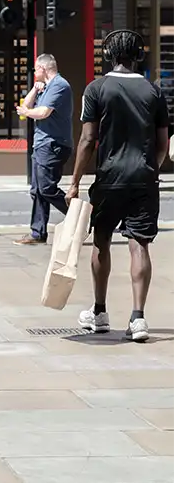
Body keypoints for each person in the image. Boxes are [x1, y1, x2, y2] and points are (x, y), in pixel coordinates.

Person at [66, 29, 169, 342]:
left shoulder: (96, 88)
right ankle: (138, 318)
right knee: (140, 245)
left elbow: (87, 140)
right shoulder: (154, 92)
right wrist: (151, 170)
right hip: (143, 179)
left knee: (102, 242)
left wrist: (74, 182)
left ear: (108, 55)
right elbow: (162, 142)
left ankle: (99, 312)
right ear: (138, 55)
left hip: (109, 178)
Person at [16, 54, 73, 245]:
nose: (34, 72)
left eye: (35, 69)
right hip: (41, 144)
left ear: (42, 68)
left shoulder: (59, 85)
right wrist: (34, 89)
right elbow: (26, 105)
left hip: (53, 144)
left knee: (47, 188)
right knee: (37, 190)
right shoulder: (45, 87)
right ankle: (37, 233)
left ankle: (81, 216)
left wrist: (27, 113)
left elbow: (43, 112)